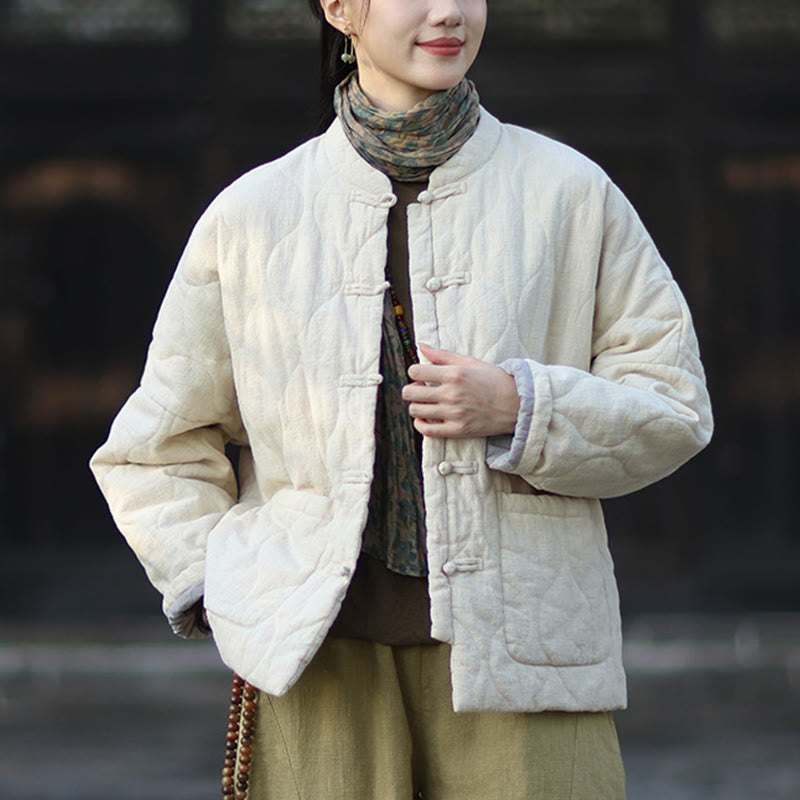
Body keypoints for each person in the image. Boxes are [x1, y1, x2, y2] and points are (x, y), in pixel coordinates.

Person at [90, 1, 713, 798]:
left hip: (527, 650)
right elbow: (153, 450)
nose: (448, 11)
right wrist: (226, 590)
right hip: (318, 661)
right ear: (339, 8)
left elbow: (672, 403)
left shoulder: (569, 193)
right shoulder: (254, 215)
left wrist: (521, 407)